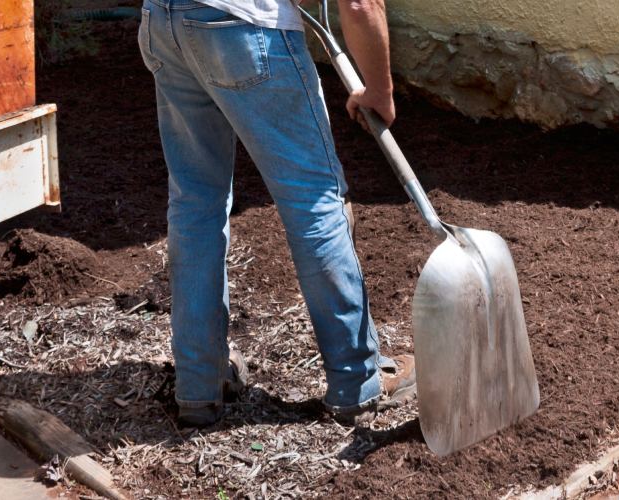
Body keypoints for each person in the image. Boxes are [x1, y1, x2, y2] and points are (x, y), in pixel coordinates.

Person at [137, 0, 415, 428]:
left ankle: (198, 384)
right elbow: (360, 4)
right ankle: (359, 380)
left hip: (163, 23)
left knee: (195, 203)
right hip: (243, 30)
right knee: (314, 198)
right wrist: (380, 89)